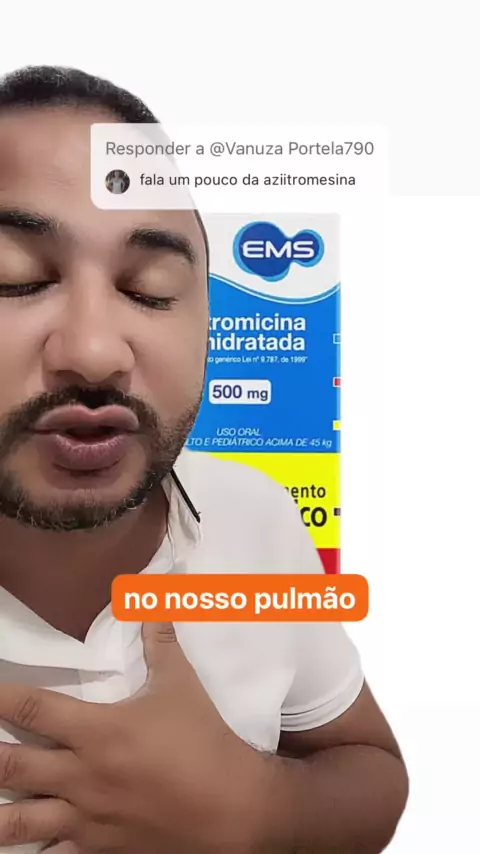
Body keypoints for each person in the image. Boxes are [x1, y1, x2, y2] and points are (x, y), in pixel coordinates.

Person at [0, 65, 408, 853]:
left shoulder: (255, 516)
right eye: (14, 279)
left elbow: (372, 770)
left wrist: (257, 812)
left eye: (151, 290)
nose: (94, 351)